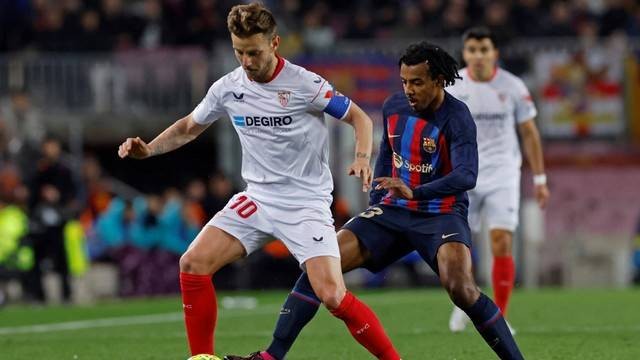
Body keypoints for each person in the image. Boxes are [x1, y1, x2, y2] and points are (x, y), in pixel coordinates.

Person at [117, 3, 401, 360]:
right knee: (192, 262)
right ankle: (202, 358)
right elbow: (190, 126)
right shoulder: (227, 88)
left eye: (254, 52)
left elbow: (361, 119)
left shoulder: (305, 84)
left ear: (275, 43)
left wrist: (362, 158)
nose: (246, 62)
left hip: (305, 203)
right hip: (259, 199)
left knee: (332, 295)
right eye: (239, 52)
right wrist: (150, 149)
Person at [224, 42, 524, 360]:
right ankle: (271, 356)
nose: (408, 89)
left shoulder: (457, 117)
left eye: (417, 82)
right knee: (322, 264)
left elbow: (467, 176)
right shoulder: (394, 106)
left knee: (460, 288)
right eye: (405, 81)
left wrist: (416, 192)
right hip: (393, 211)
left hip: (441, 214)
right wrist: (377, 196)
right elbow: (388, 152)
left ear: (438, 80)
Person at [446, 26, 550, 334]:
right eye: (472, 50)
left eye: (484, 50)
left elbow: (529, 133)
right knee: (459, 245)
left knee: (501, 241)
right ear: (465, 54)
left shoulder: (513, 86)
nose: (478, 56)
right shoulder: (453, 87)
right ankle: (462, 302)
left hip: (504, 172)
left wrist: (541, 178)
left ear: (495, 53)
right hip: (464, 173)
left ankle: (498, 316)